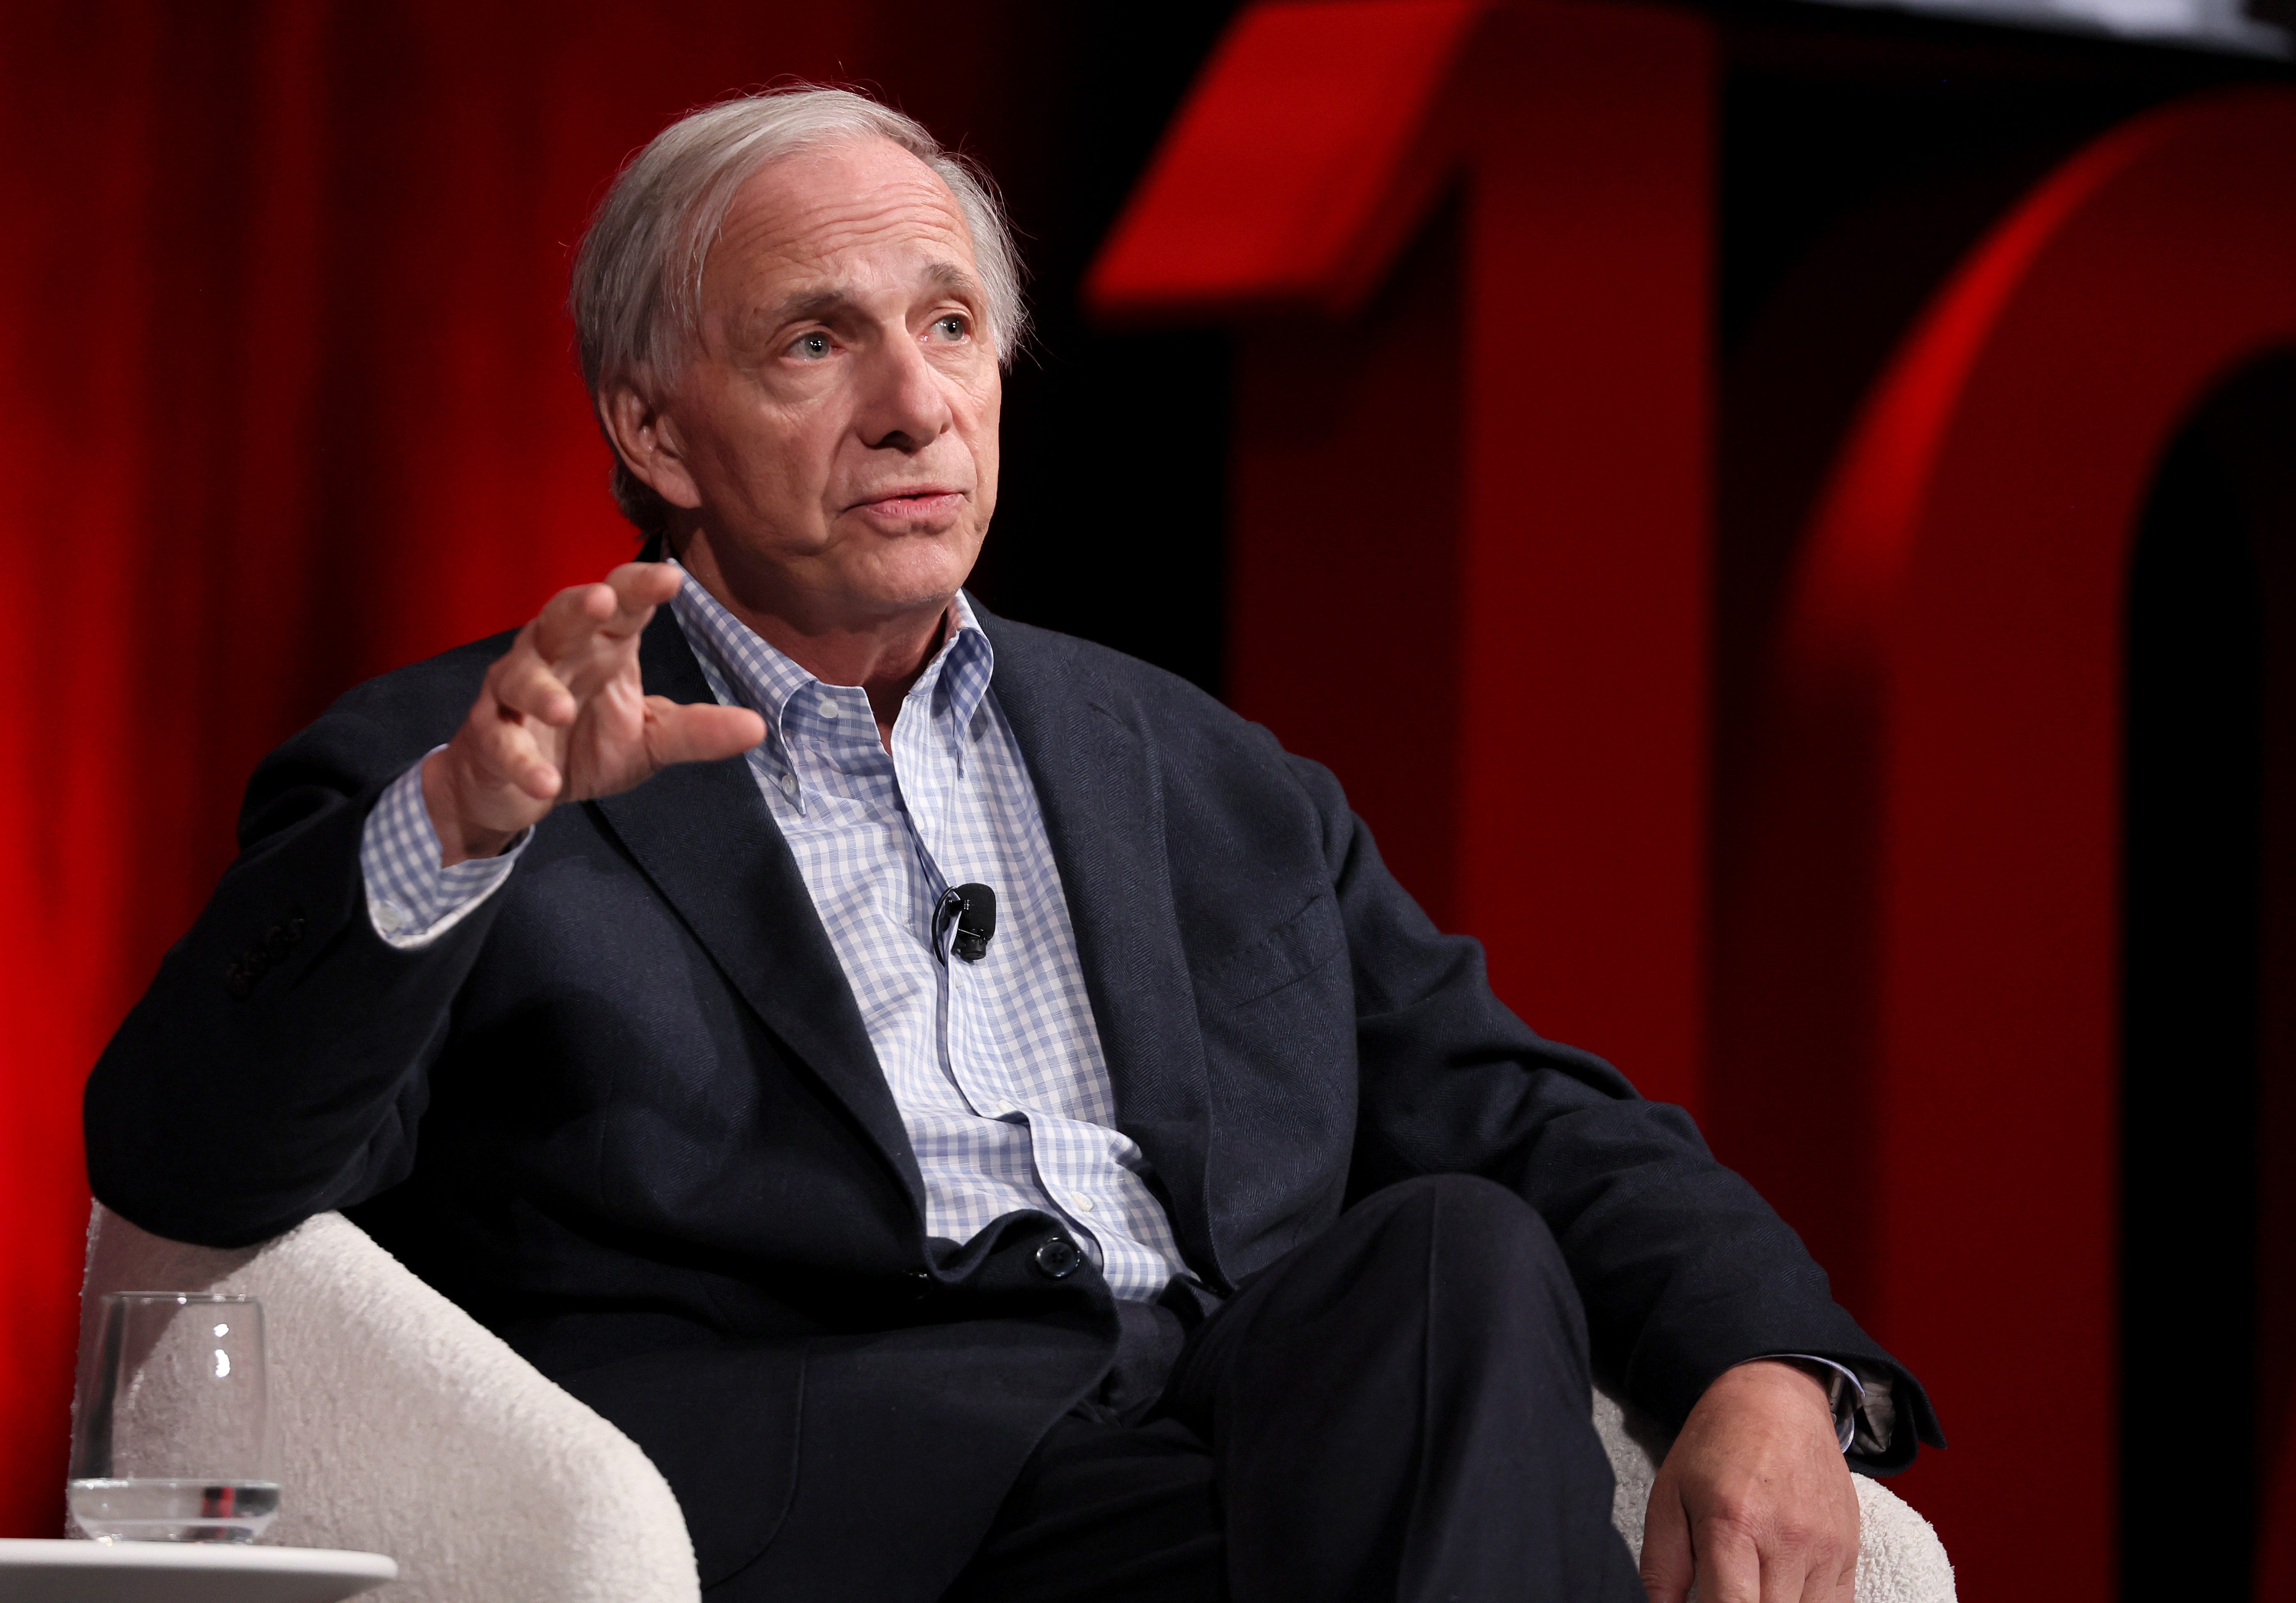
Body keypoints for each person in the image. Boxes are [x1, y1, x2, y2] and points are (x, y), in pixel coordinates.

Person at [85, 86, 1938, 1603]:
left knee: (1456, 1247)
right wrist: (453, 832)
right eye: (820, 340)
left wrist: (1765, 1365)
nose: (914, 402)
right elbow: (188, 1160)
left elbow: (1527, 1105)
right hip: (856, 1507)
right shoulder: (480, 759)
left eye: (950, 327)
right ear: (656, 425)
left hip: (1240, 1454)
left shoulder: (1202, 771)